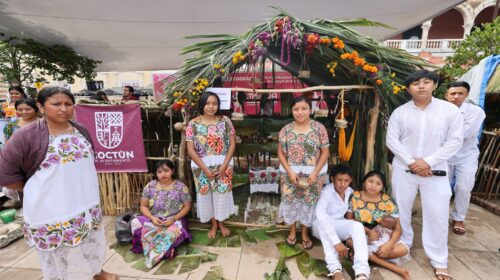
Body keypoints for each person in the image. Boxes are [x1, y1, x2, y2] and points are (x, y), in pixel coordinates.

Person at [0, 86, 118, 280]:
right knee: (56, 251)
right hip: (49, 207)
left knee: (89, 240)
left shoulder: (81, 130)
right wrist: (36, 188)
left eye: (68, 104)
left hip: (84, 200)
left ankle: (98, 273)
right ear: (41, 106)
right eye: (56, 104)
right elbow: (6, 174)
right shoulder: (25, 136)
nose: (64, 108)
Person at [386, 70, 463, 280]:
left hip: (435, 172)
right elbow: (392, 140)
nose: (421, 86)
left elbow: (455, 141)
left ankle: (439, 261)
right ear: (408, 88)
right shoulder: (400, 112)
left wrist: (427, 162)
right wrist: (413, 163)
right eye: (415, 83)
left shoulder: (449, 111)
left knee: (437, 214)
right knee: (401, 210)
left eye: (426, 82)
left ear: (434, 85)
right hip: (404, 170)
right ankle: (404, 245)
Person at [278, 96, 329, 250]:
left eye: (304, 109)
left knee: (308, 203)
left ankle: (305, 233)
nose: (300, 112)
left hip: (314, 175)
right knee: (291, 201)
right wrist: (290, 172)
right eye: (296, 109)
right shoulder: (286, 130)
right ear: (291, 110)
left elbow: (325, 152)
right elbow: (280, 153)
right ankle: (293, 231)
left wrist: (315, 172)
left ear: (310, 110)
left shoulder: (319, 128)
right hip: (289, 174)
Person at [186, 92, 236, 238]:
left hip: (223, 164)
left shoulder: (225, 121)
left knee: (221, 194)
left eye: (214, 103)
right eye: (207, 103)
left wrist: (224, 166)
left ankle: (221, 223)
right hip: (201, 166)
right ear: (202, 104)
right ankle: (213, 224)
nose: (211, 106)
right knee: (206, 195)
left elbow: (232, 143)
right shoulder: (193, 124)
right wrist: (206, 169)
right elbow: (190, 149)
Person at [346, 171, 410, 280]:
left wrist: (388, 245)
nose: (373, 186)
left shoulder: (388, 201)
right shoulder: (355, 196)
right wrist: (368, 231)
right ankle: (394, 268)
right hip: (361, 233)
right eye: (370, 181)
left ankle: (366, 256)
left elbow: (398, 229)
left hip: (382, 236)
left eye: (378, 183)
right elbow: (349, 219)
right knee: (350, 242)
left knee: (403, 249)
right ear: (364, 182)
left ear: (383, 187)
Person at [130, 159, 192, 268]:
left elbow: (187, 206)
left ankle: (152, 247)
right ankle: (164, 249)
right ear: (156, 173)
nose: (163, 174)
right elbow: (143, 206)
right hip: (154, 220)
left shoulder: (181, 187)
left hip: (174, 221)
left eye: (166, 171)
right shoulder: (150, 186)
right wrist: (152, 217)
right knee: (135, 222)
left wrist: (173, 219)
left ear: (172, 171)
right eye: (159, 172)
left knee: (177, 230)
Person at [312, 164, 370, 280]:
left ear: (350, 180)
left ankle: (362, 272)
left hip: (338, 224)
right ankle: (335, 270)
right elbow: (321, 216)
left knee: (357, 226)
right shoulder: (326, 192)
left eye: (346, 180)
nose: (343, 184)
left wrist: (357, 233)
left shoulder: (350, 192)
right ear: (332, 179)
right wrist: (336, 242)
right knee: (324, 224)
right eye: (339, 180)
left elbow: (349, 217)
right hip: (320, 226)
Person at [445, 81, 485, 235]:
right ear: (446, 95)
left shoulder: (476, 111)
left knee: (463, 187)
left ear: (466, 94)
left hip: (466, 156)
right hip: (445, 156)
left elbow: (465, 134)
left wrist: (444, 134)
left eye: (460, 93)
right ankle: (441, 215)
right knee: (441, 188)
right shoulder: (441, 111)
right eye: (453, 94)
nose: (456, 97)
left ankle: (458, 218)